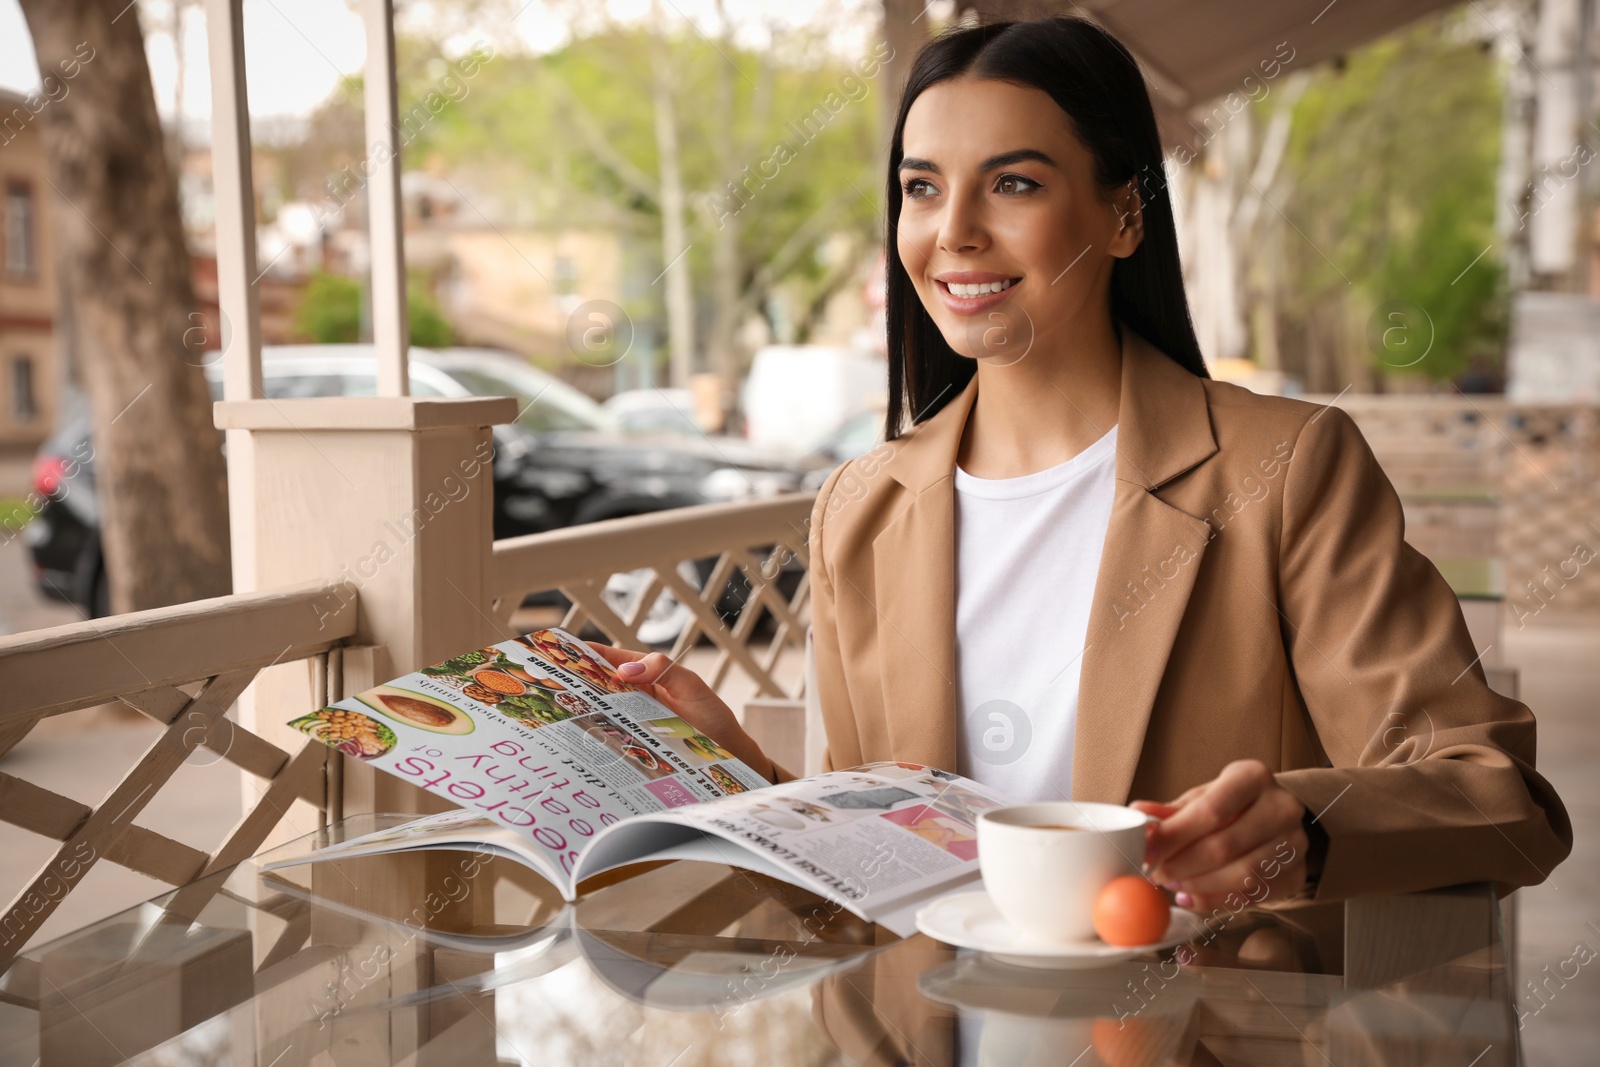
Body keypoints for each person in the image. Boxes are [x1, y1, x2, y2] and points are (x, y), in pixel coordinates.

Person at [590, 16, 1571, 917]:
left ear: (1123, 216)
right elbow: (878, 845)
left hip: (1201, 1030)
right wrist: (732, 771)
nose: (954, 230)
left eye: (1013, 182)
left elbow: (1499, 799)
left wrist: (1300, 828)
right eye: (922, 186)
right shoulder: (861, 504)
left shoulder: (1285, 469)